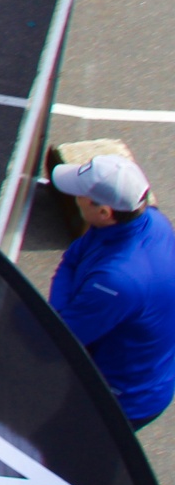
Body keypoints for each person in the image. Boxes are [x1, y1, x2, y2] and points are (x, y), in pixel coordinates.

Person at [50, 153, 175, 429]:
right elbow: (74, 257)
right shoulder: (153, 221)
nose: (76, 198)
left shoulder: (115, 282)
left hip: (122, 402)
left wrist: (57, 312)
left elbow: (59, 337)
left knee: (57, 444)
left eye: (81, 195)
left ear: (105, 212)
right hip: (144, 379)